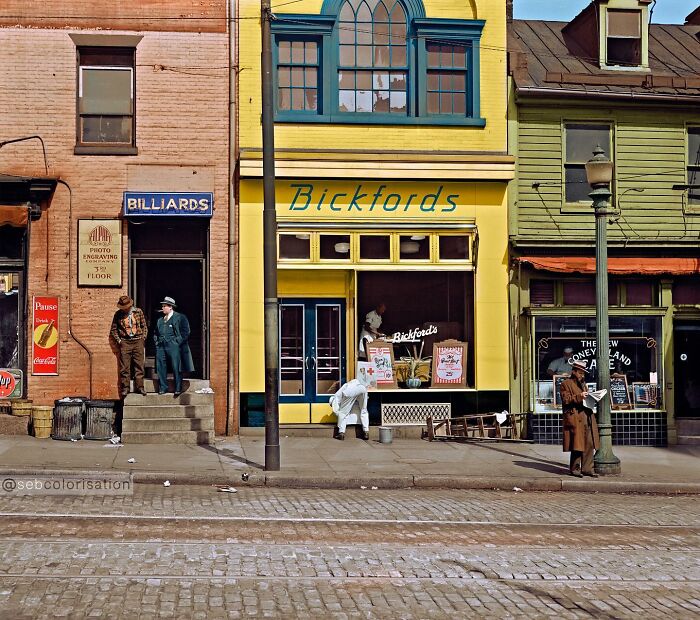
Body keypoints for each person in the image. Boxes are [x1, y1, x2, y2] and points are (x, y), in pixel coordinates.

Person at [560, 360, 600, 478]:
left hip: (586, 416)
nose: (582, 375)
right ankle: (575, 469)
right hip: (575, 417)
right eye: (580, 373)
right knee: (577, 444)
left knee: (589, 443)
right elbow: (566, 399)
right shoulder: (565, 384)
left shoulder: (583, 384)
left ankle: (587, 468)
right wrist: (579, 396)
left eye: (583, 373)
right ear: (574, 372)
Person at [153, 296, 194, 396]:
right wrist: (157, 342)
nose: (162, 308)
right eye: (162, 306)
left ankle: (178, 387)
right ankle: (163, 387)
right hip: (161, 346)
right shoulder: (160, 320)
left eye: (164, 306)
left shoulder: (180, 317)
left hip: (174, 345)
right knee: (160, 366)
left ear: (170, 307)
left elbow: (186, 331)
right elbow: (155, 333)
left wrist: (177, 341)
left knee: (176, 366)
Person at [109, 295, 148, 399]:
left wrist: (143, 337)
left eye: (126, 306)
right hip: (125, 342)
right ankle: (125, 388)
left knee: (139, 365)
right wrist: (119, 341)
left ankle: (140, 387)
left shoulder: (138, 312)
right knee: (124, 367)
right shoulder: (118, 314)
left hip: (138, 341)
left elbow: (144, 326)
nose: (125, 308)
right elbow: (113, 329)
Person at [330, 372, 372, 441]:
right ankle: (366, 432)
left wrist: (341, 411)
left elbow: (339, 412)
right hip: (362, 388)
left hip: (349, 392)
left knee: (344, 413)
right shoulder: (347, 385)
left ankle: (341, 433)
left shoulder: (335, 398)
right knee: (363, 410)